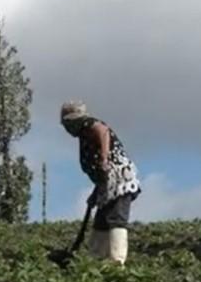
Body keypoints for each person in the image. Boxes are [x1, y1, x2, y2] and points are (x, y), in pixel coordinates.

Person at [60, 101, 141, 264]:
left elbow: (103, 131)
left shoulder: (90, 125)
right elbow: (100, 173)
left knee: (117, 218)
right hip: (106, 183)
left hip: (119, 178)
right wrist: (95, 194)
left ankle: (117, 260)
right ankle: (96, 258)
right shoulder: (84, 135)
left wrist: (104, 158)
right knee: (101, 222)